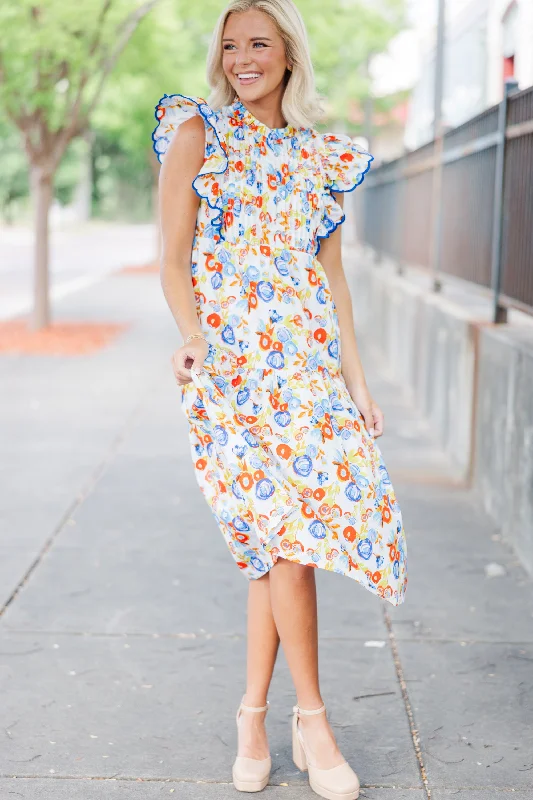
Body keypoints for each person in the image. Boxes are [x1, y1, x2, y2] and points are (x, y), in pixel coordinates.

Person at [152, 0, 407, 797]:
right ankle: (316, 725)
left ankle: (255, 714)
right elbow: (170, 260)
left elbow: (333, 283)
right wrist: (192, 335)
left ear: (288, 54)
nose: (242, 58)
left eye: (258, 43)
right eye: (230, 45)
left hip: (308, 374)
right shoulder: (198, 133)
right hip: (231, 374)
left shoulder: (320, 157)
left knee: (284, 548)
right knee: (284, 548)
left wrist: (357, 385)